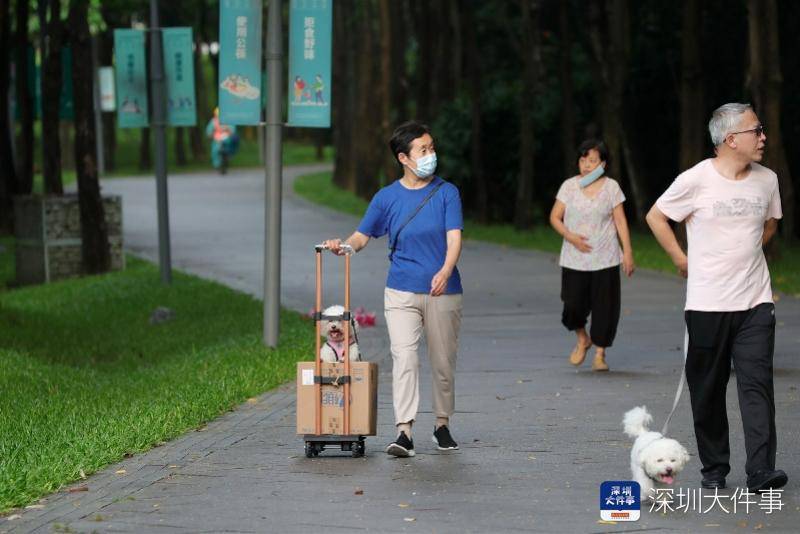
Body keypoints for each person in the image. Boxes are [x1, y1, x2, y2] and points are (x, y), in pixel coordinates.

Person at [646, 103, 786, 493]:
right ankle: (714, 466)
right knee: (707, 390)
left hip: (756, 303)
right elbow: (657, 216)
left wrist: (748, 251)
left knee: (757, 385)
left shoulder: (767, 179)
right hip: (707, 305)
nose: (763, 137)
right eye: (756, 130)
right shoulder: (695, 180)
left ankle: (761, 471)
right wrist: (679, 257)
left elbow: (771, 223)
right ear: (730, 140)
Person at [322, 120, 463, 458]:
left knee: (443, 362)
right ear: (404, 157)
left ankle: (441, 423)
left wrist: (445, 270)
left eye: (432, 147)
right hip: (400, 291)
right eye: (423, 150)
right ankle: (404, 431)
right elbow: (362, 236)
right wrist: (344, 247)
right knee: (404, 358)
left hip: (444, 291)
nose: (431, 155)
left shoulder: (447, 192)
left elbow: (454, 238)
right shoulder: (386, 198)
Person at [549, 139, 635, 372]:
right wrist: (570, 236)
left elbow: (620, 221)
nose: (586, 165)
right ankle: (582, 338)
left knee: (605, 307)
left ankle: (600, 353)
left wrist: (627, 252)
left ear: (603, 164)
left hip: (605, 257)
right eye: (583, 160)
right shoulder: (569, 186)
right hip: (574, 258)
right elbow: (555, 217)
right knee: (572, 304)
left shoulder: (611, 187)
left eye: (593, 161)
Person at [205, 107, 239, 174]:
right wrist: (210, 135)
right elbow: (209, 131)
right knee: (215, 151)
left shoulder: (229, 120)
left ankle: (228, 157)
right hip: (217, 140)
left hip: (227, 139)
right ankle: (217, 165)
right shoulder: (213, 121)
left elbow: (233, 130)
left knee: (230, 146)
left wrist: (228, 130)